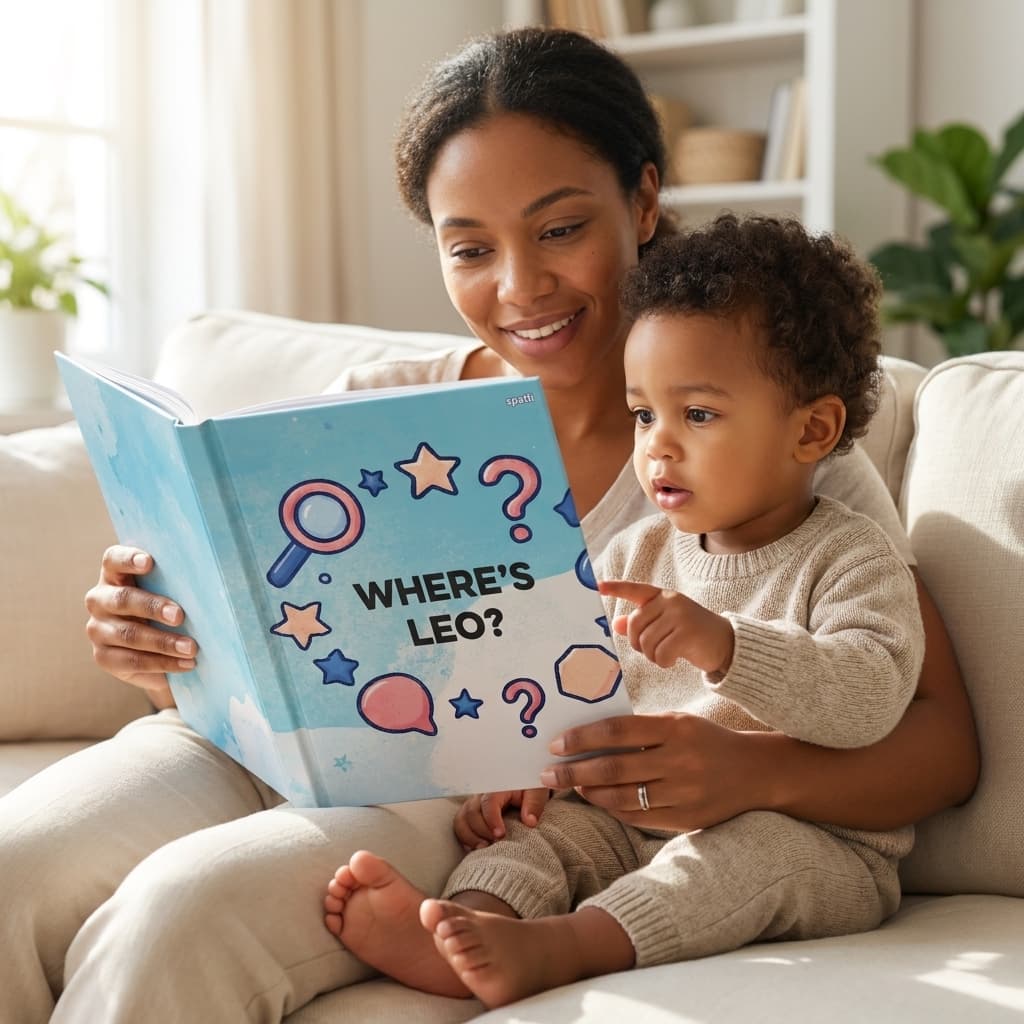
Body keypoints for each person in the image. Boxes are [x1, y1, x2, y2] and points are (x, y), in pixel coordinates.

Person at [0, 26, 976, 1024]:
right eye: (469, 247)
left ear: (642, 202)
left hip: (449, 798)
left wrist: (748, 768)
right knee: (9, 868)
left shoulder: (762, 451)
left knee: (179, 915)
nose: (519, 287)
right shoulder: (372, 408)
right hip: (244, 749)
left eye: (559, 230)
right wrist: (160, 635)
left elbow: (939, 741)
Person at [320, 215, 926, 1007]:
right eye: (644, 415)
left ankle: (566, 947)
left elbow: (871, 697)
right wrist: (532, 775)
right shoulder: (633, 557)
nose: (658, 447)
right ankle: (464, 927)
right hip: (625, 816)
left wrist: (729, 647)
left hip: (814, 837)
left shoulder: (851, 556)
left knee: (739, 856)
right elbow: (570, 691)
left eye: (697, 416)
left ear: (812, 429)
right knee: (537, 838)